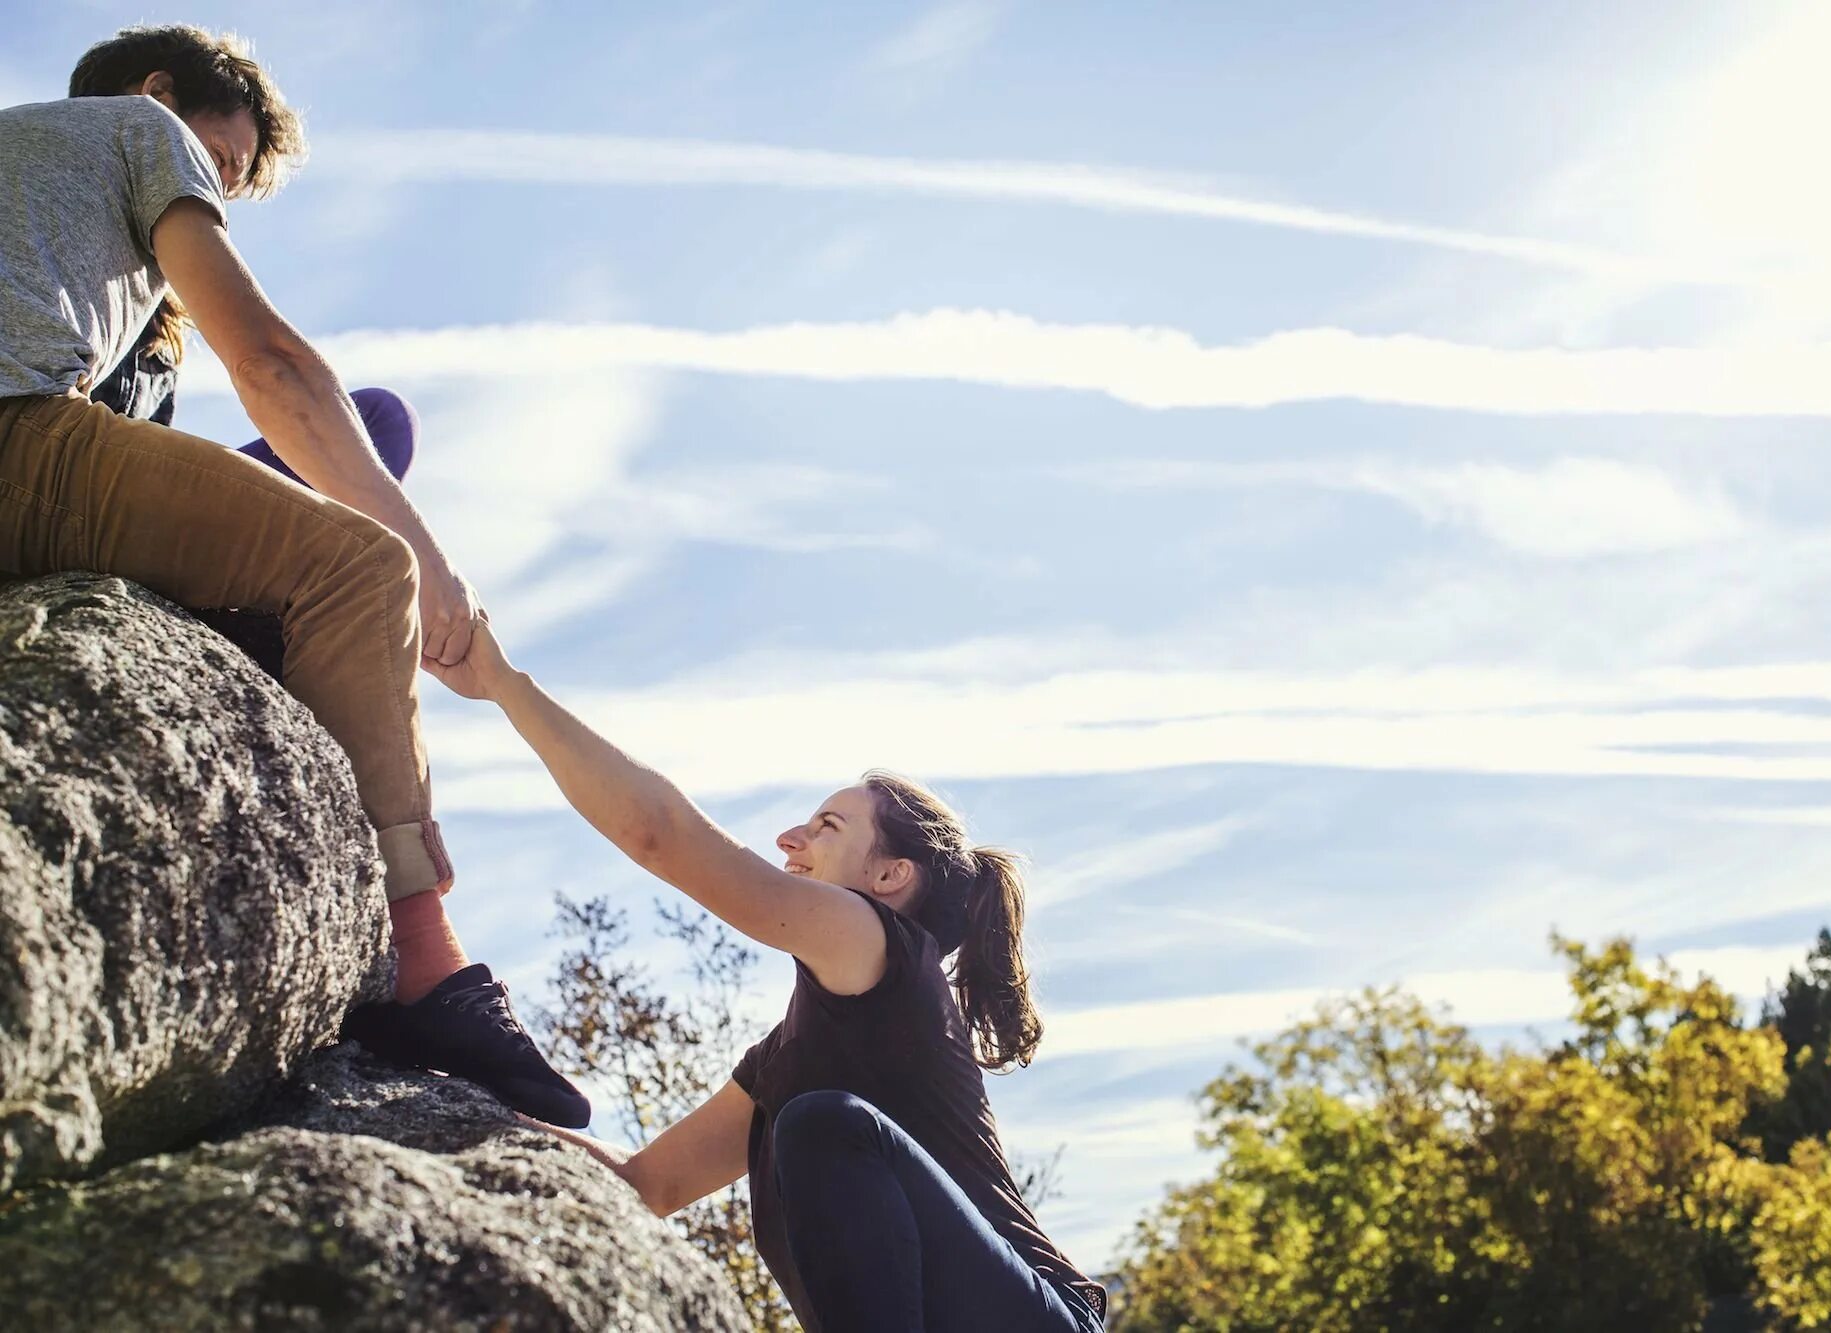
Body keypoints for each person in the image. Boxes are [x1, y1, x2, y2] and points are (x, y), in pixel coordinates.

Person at [0, 24, 586, 1126]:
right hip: (16, 447)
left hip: (48, 456)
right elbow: (270, 365)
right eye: (218, 167)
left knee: (375, 427)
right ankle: (423, 961)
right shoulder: (136, 127)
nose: (215, 192)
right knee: (360, 568)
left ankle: (285, 664)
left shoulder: (42, 196)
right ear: (163, 94)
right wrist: (429, 567)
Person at [425, 619, 1108, 1333]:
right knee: (815, 1120)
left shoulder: (887, 948)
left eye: (827, 826)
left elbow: (659, 833)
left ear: (888, 875)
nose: (790, 837)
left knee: (824, 1124)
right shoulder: (789, 1058)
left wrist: (503, 681)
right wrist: (459, 1110)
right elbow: (647, 1184)